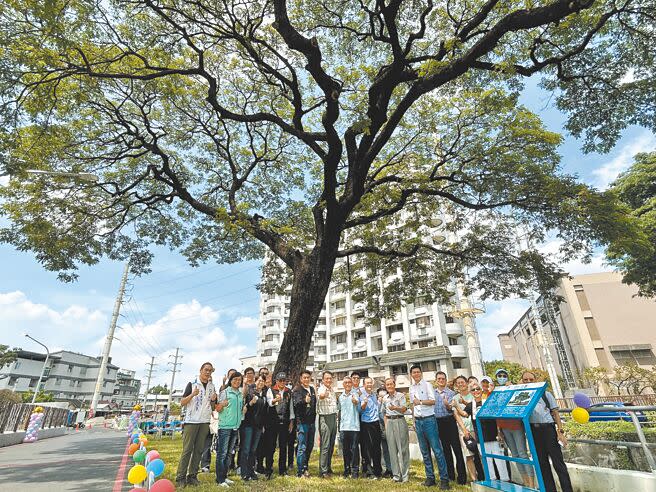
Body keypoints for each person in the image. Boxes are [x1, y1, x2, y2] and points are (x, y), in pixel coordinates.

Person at [522, 371, 573, 492]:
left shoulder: (545, 394)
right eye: (525, 380)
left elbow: (555, 413)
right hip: (534, 431)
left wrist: (560, 432)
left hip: (548, 430)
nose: (528, 382)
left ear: (535, 380)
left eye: (531, 379)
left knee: (558, 463)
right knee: (542, 464)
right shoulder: (523, 396)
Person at [456, 381, 509, 482]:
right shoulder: (471, 405)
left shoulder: (489, 401)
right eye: (473, 390)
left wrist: (499, 432)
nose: (476, 391)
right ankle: (492, 481)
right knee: (487, 461)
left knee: (499, 460)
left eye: (478, 389)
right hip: (481, 438)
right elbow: (464, 414)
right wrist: (456, 406)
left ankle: (505, 480)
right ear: (470, 392)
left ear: (481, 390)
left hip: (493, 436)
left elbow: (496, 416)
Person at [175, 362, 217, 488]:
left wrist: (214, 400)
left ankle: (192, 476)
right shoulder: (192, 384)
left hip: (204, 421)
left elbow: (213, 407)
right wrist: (192, 394)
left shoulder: (212, 386)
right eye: (206, 370)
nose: (208, 372)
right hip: (191, 421)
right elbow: (182, 402)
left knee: (199, 450)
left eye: (210, 370)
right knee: (187, 450)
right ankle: (180, 477)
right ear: (200, 370)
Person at [409, 364, 450, 489]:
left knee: (437, 450)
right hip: (419, 421)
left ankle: (444, 480)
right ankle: (430, 478)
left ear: (421, 373)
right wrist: (414, 420)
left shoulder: (427, 385)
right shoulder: (411, 388)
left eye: (418, 372)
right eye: (413, 372)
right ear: (411, 374)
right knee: (424, 451)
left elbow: (433, 401)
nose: (416, 374)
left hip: (429, 421)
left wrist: (420, 402)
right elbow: (413, 405)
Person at [434, 371, 467, 485]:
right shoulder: (433, 393)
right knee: (445, 450)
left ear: (446, 380)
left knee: (457, 449)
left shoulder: (451, 393)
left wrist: (448, 406)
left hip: (450, 421)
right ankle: (450, 475)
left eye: (443, 379)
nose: (441, 380)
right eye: (439, 379)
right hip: (439, 422)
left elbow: (452, 409)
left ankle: (462, 478)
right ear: (436, 380)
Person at [451, 375, 483, 481]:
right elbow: (457, 415)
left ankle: (485, 478)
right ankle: (474, 480)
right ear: (456, 385)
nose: (460, 384)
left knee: (481, 455)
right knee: (469, 456)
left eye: (462, 382)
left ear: (466, 383)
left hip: (477, 429)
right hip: (464, 431)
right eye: (458, 383)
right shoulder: (455, 398)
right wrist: (464, 430)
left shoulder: (474, 393)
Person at [215, 371, 244, 487]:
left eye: (239, 380)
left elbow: (239, 410)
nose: (237, 381)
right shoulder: (224, 392)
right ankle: (219, 479)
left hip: (235, 427)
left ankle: (224, 476)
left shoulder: (240, 394)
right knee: (221, 454)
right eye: (234, 379)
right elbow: (217, 408)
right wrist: (222, 405)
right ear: (230, 380)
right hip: (225, 427)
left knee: (228, 454)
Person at [265, 372, 294, 478]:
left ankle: (283, 470)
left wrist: (291, 421)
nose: (282, 382)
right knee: (271, 446)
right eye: (280, 380)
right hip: (273, 422)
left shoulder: (288, 391)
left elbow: (291, 408)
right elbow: (269, 402)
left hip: (285, 422)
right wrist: (275, 400)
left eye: (284, 380)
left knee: (283, 447)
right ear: (276, 381)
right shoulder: (271, 390)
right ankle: (269, 469)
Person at [240, 375, 268, 481]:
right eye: (259, 380)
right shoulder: (250, 392)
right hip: (248, 424)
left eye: (263, 381)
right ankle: (244, 473)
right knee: (246, 449)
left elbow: (264, 412)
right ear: (255, 381)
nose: (261, 382)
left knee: (253, 450)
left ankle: (251, 471)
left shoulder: (264, 394)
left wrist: (263, 425)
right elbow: (244, 405)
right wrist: (250, 403)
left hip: (259, 426)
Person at [383, 377, 409, 483]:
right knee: (392, 450)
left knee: (403, 450)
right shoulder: (385, 398)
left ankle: (405, 476)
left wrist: (396, 408)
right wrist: (386, 426)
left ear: (394, 385)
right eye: (387, 385)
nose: (389, 386)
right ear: (386, 386)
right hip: (389, 422)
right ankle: (396, 476)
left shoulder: (401, 395)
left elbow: (404, 409)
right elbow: (384, 413)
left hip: (399, 421)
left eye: (391, 384)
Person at [292, 370, 317, 477]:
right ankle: (300, 471)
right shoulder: (297, 390)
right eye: (304, 378)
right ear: (301, 379)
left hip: (312, 422)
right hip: (302, 423)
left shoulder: (311, 389)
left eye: (308, 377)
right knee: (302, 447)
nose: (307, 379)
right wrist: (304, 400)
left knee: (310, 446)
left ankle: (305, 467)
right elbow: (296, 403)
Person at [359, 377, 383, 479]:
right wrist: (364, 403)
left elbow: (376, 408)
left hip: (376, 423)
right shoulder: (362, 395)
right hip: (366, 424)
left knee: (377, 447)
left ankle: (378, 470)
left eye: (370, 383)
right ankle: (369, 472)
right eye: (367, 383)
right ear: (364, 384)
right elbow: (361, 409)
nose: (369, 384)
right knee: (367, 449)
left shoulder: (374, 395)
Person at [338, 376, 361, 478]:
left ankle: (355, 471)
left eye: (349, 382)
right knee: (345, 450)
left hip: (354, 427)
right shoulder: (340, 397)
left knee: (354, 449)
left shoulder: (355, 394)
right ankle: (346, 470)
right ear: (343, 384)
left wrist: (355, 402)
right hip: (343, 427)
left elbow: (358, 405)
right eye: (346, 382)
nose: (347, 384)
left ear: (352, 384)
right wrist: (339, 426)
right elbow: (339, 411)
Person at [317, 370, 338, 478]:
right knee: (325, 445)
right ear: (323, 380)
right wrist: (322, 395)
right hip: (325, 418)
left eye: (330, 378)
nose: (329, 380)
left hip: (333, 417)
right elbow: (320, 396)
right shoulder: (321, 389)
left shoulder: (332, 389)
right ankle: (323, 470)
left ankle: (328, 467)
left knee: (331, 445)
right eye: (327, 378)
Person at [255, 367, 271, 474]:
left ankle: (261, 465)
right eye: (262, 374)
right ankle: (254, 466)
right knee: (254, 446)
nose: (264, 375)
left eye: (266, 374)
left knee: (264, 446)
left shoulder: (267, 391)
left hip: (266, 423)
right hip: (254, 423)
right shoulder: (252, 390)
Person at [376, 387, 393, 478]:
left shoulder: (388, 404)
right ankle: (387, 469)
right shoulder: (377, 405)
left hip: (388, 428)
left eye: (384, 396)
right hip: (380, 430)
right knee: (385, 450)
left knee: (391, 450)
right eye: (380, 396)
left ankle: (393, 469)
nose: (382, 398)